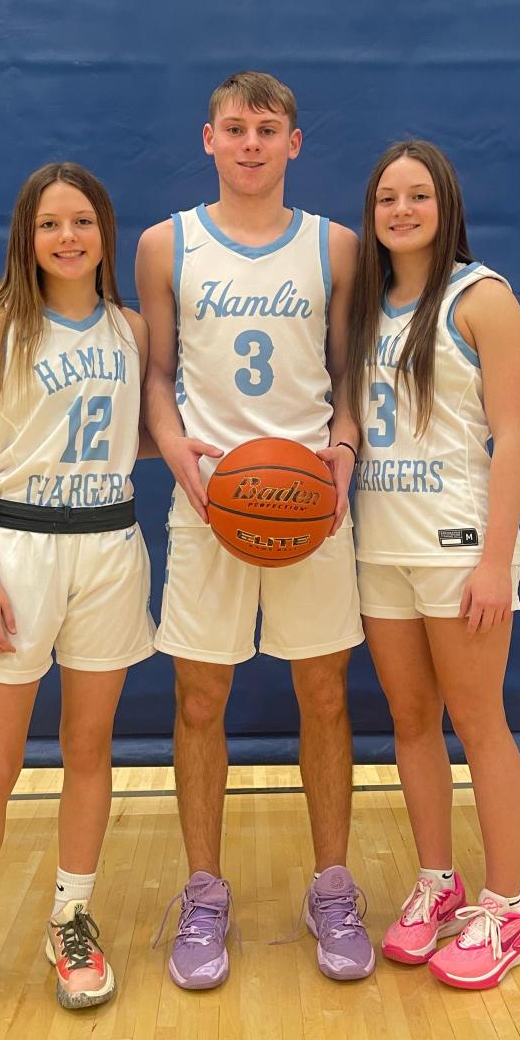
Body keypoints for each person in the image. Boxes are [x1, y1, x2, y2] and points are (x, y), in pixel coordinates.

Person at [0, 162, 155, 1040]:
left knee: (89, 748)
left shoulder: (132, 328)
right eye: (52, 224)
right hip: (21, 551)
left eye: (83, 220)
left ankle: (68, 920)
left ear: (104, 233)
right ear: (28, 235)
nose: (69, 236)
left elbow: (133, 437)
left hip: (111, 550)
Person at [135, 71, 373, 989]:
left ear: (294, 144)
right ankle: (203, 893)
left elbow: (348, 369)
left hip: (310, 501)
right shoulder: (167, 244)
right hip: (208, 504)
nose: (250, 143)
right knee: (199, 703)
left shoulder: (337, 247)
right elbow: (157, 373)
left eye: (267, 129)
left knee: (325, 698)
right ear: (207, 139)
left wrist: (344, 447)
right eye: (234, 128)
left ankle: (333, 887)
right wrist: (179, 456)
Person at [346, 140, 520, 990]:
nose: (400, 210)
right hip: (378, 545)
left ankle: (507, 906)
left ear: (444, 204)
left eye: (417, 196)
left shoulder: (483, 298)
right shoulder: (364, 306)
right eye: (387, 198)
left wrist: (496, 560)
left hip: (460, 550)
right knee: (411, 720)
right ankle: (437, 881)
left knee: (478, 718)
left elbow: (514, 439)